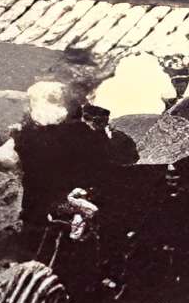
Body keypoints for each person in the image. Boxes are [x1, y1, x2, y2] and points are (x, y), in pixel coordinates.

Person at [8, 78, 136, 238]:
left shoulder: (94, 135)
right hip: (59, 197)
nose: (95, 121)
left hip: (68, 195)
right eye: (91, 116)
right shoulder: (70, 133)